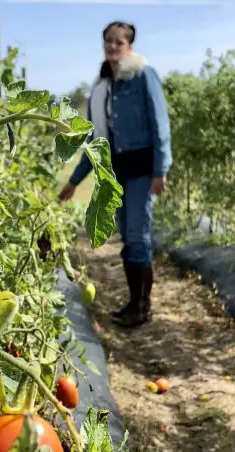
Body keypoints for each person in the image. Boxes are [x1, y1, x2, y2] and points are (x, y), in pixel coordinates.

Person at [60, 22, 172, 328]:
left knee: (138, 236)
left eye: (119, 42)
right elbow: (95, 142)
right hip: (116, 173)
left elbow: (160, 124)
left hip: (141, 170)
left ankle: (142, 307)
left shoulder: (142, 76)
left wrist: (160, 170)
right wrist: (74, 181)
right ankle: (133, 303)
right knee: (128, 237)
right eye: (108, 41)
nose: (112, 47)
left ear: (130, 46)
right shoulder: (104, 86)